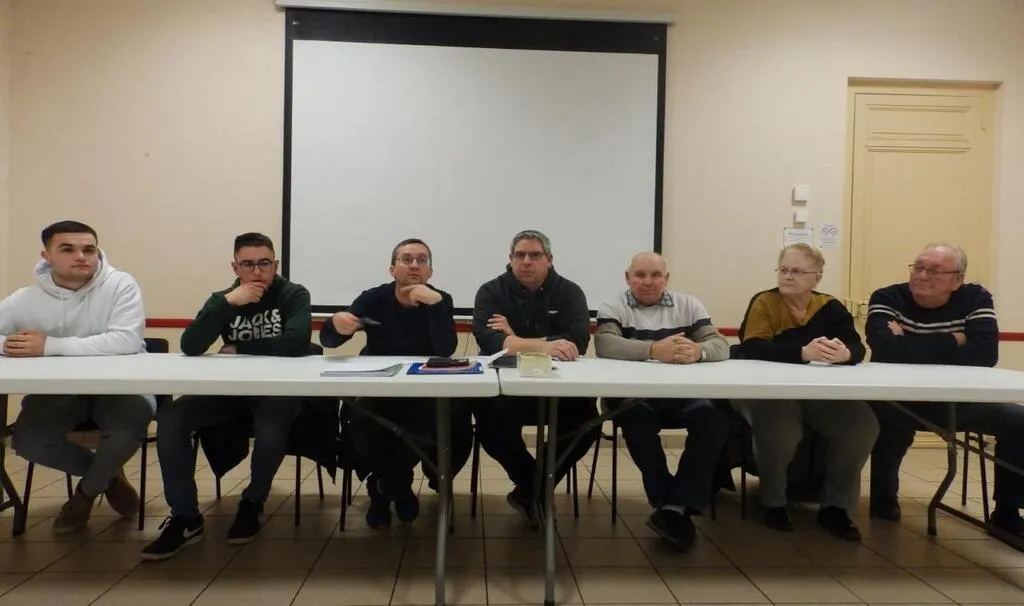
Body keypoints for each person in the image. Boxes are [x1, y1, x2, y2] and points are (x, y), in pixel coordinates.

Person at [141, 232, 312, 560]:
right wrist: (228, 304)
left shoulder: (293, 294)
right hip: (229, 391)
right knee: (171, 417)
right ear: (235, 267)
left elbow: (296, 342)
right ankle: (185, 517)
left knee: (271, 424)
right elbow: (191, 345)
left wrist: (239, 347)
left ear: (276, 264)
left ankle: (252, 502)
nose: (257, 271)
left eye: (264, 263)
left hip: (277, 390)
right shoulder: (223, 298)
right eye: (248, 264)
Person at [3, 220, 153, 534]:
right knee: (28, 440)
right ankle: (107, 476)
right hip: (61, 391)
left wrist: (49, 346)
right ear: (47, 256)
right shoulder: (25, 298)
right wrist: (8, 344)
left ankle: (85, 494)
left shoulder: (120, 285)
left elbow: (125, 340)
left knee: (125, 430)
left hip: (121, 385)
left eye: (89, 249)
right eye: (68, 249)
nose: (81, 256)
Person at [867, 243, 1024, 537]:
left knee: (1019, 420)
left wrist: (910, 344)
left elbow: (985, 354)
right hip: (898, 399)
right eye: (918, 267)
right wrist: (956, 338)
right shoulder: (887, 297)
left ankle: (1006, 510)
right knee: (889, 420)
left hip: (957, 401)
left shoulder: (976, 298)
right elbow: (886, 350)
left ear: (957, 280)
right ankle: (883, 498)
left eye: (934, 271)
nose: (922, 275)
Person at [320, 238, 472, 528]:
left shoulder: (440, 299)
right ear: (392, 269)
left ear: (430, 271)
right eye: (407, 259)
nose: (414, 265)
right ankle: (398, 487)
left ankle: (384, 488)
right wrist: (335, 325)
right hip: (380, 386)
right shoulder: (373, 298)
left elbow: (445, 350)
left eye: (422, 260)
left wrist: (435, 306)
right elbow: (331, 339)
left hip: (424, 390)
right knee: (362, 421)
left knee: (431, 422)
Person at [732, 243, 878, 541]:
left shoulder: (830, 306)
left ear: (816, 277)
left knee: (861, 425)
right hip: (767, 391)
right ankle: (774, 501)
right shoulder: (764, 302)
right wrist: (801, 353)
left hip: (815, 391)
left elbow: (856, 346)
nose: (787, 276)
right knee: (781, 429)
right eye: (783, 270)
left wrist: (845, 355)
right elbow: (753, 347)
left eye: (797, 271)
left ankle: (836, 507)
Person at [594, 252, 730, 551]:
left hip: (683, 396)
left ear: (666, 279)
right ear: (628, 278)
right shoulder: (613, 306)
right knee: (636, 417)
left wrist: (699, 352)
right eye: (640, 275)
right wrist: (654, 350)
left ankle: (673, 506)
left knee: (714, 418)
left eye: (655, 275)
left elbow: (720, 344)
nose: (648, 282)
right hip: (633, 397)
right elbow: (604, 344)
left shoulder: (689, 305)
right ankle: (672, 503)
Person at [472, 230, 599, 526]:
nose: (526, 261)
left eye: (535, 255)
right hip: (506, 389)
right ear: (510, 259)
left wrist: (514, 338)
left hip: (559, 388)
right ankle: (534, 485)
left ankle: (530, 491)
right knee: (488, 421)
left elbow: (576, 343)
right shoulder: (491, 291)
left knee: (586, 422)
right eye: (520, 255)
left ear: (549, 260)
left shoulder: (570, 292)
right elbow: (490, 343)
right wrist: (545, 345)